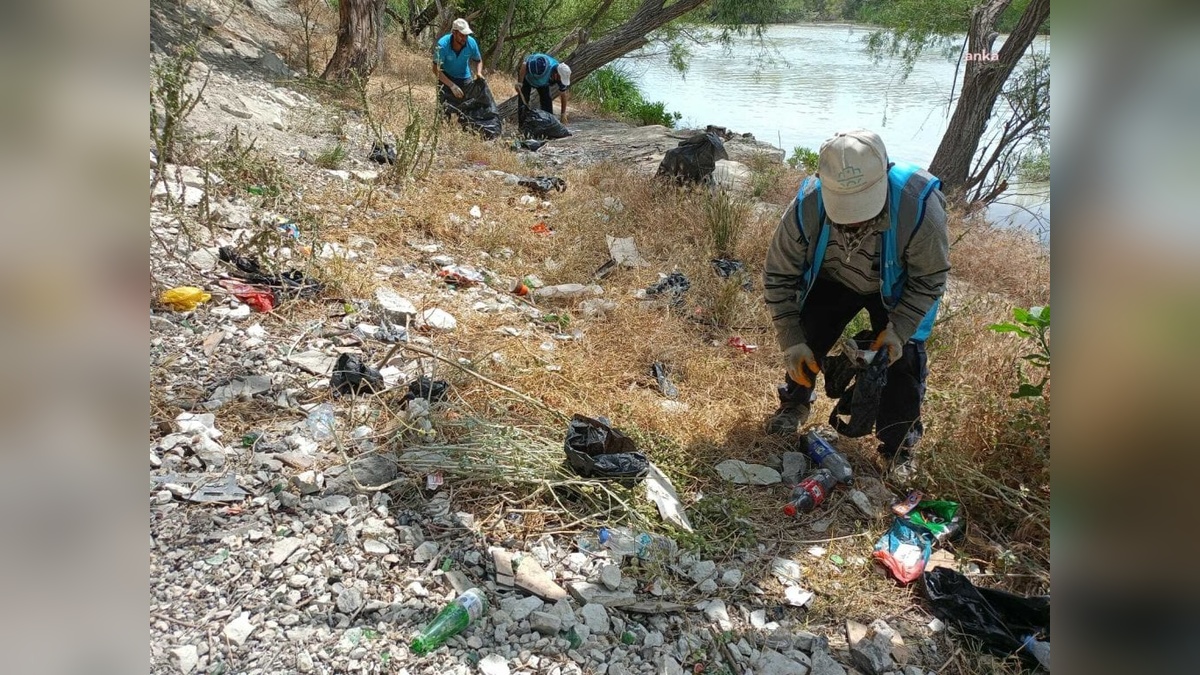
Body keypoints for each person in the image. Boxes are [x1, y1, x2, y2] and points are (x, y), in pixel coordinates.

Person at [762, 129, 949, 476]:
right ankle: (794, 404)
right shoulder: (807, 204)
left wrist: (900, 329)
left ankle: (899, 447)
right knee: (809, 332)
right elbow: (778, 275)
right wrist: (791, 339)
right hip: (833, 277)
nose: (855, 219)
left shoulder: (920, 206)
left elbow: (930, 279)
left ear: (885, 172)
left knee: (903, 361)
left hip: (896, 287)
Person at [433, 18, 483, 107]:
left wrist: (478, 73)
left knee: (467, 106)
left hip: (464, 77)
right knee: (444, 108)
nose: (464, 38)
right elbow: (435, 69)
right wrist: (452, 85)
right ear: (454, 33)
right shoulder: (443, 45)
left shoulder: (471, 43)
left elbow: (478, 61)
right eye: (462, 35)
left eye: (466, 35)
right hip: (446, 75)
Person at [518, 53, 572, 122]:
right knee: (523, 103)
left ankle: (548, 124)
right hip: (527, 77)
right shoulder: (541, 65)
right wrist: (520, 82)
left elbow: (563, 95)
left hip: (542, 82)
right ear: (556, 74)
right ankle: (522, 127)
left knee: (547, 103)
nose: (561, 81)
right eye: (561, 79)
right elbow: (524, 65)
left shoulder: (561, 76)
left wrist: (563, 113)